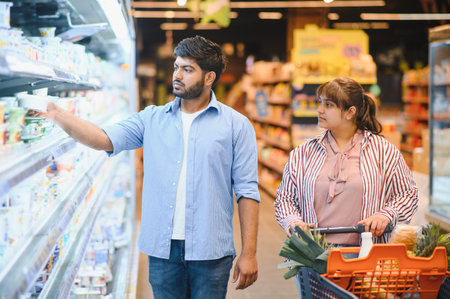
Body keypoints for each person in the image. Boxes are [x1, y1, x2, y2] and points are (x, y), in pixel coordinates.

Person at [35, 36, 260, 298]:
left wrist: (249, 252)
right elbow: (102, 138)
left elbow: (247, 191)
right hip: (163, 251)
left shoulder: (236, 125)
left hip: (211, 251)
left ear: (209, 77)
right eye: (177, 67)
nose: (178, 75)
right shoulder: (152, 119)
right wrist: (58, 114)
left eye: (188, 70)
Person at [274, 77, 418, 245]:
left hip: (366, 256)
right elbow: (284, 199)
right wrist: (293, 221)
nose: (319, 110)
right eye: (320, 103)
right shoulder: (302, 153)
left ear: (350, 112)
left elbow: (408, 194)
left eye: (328, 105)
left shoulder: (384, 151)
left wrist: (386, 215)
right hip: (313, 256)